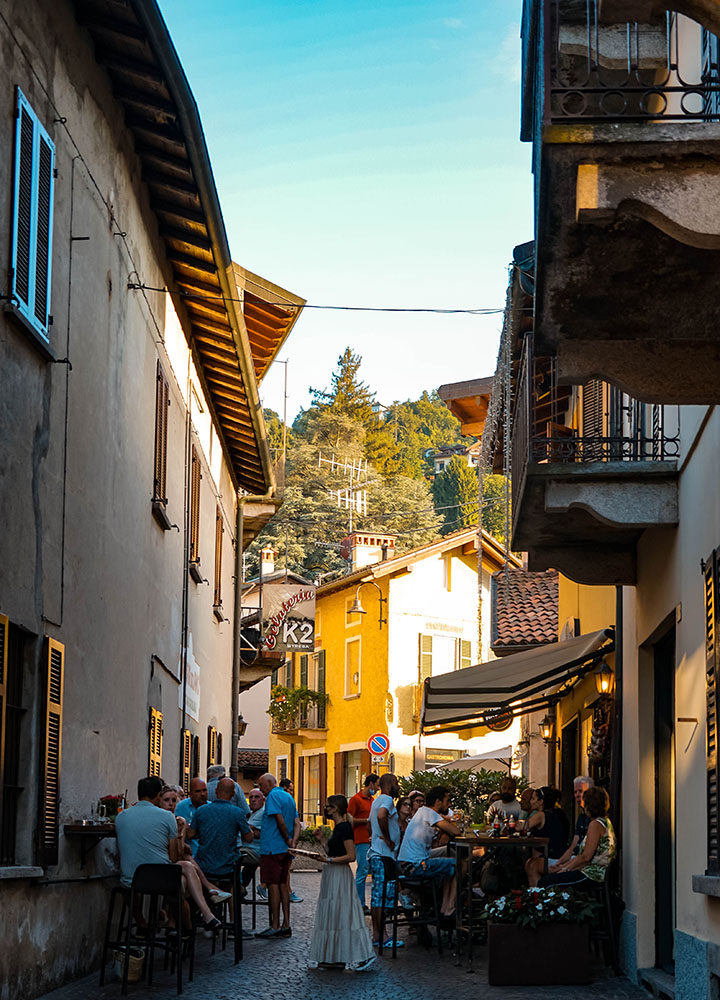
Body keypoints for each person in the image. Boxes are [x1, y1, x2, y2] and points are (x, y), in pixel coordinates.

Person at [115, 776, 221, 934]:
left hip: (131, 879)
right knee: (184, 873)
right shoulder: (167, 817)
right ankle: (197, 921)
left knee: (185, 867)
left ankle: (147, 924)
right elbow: (173, 857)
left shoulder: (121, 816)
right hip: (160, 880)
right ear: (158, 796)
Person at [307, 794, 376, 972]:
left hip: (339, 874)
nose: (326, 809)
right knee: (334, 913)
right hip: (333, 874)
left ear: (335, 808)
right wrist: (322, 840)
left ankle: (358, 955)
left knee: (343, 913)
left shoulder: (344, 828)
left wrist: (328, 860)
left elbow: (350, 856)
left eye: (328, 806)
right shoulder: (339, 827)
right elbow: (333, 852)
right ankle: (335, 956)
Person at [398, 785, 461, 916]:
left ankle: (445, 906)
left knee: (449, 857)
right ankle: (448, 907)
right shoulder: (430, 813)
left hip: (406, 863)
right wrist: (448, 830)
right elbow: (455, 831)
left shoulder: (423, 812)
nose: (448, 804)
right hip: (416, 866)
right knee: (459, 864)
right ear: (438, 801)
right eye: (447, 800)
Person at [539, 786, 616, 889]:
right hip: (592, 871)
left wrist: (565, 870)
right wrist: (562, 867)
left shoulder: (595, 825)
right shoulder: (605, 821)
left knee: (546, 883)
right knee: (551, 878)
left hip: (593, 875)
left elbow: (586, 857)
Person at [256, 773, 300, 938]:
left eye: (261, 786)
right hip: (285, 849)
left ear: (269, 783)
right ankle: (285, 924)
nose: (260, 790)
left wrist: (286, 838)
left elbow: (280, 820)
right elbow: (296, 822)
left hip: (272, 848)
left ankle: (274, 926)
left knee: (273, 885)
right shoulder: (288, 797)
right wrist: (293, 842)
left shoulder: (273, 796)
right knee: (283, 885)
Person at [188, 777, 254, 879]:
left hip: (205, 866)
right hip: (227, 867)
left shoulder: (201, 810)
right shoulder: (237, 813)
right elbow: (249, 838)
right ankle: (236, 889)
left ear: (215, 791)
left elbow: (190, 834)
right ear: (233, 794)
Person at [367, 772, 402, 949]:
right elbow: (382, 816)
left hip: (376, 852)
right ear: (389, 785)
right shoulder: (387, 800)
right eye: (396, 783)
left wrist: (373, 836)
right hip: (384, 855)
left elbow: (369, 823)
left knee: (376, 897)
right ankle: (383, 936)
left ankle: (377, 935)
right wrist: (387, 839)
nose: (398, 786)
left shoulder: (376, 801)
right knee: (382, 897)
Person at [525, 787, 570, 886]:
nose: (530, 802)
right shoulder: (560, 813)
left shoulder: (541, 815)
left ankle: (537, 895)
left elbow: (523, 827)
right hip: (565, 855)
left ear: (541, 801)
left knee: (531, 865)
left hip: (555, 859)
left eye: (533, 798)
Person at [347, 772, 379, 909]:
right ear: (370, 784)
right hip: (361, 840)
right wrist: (367, 821)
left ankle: (368, 902)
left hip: (372, 840)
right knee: (362, 871)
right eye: (377, 785)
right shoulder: (356, 799)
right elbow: (349, 819)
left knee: (371, 871)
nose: (378, 788)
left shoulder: (372, 800)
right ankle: (359, 903)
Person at [552, 775, 595, 869]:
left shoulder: (595, 821)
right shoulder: (581, 817)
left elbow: (586, 857)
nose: (577, 795)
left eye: (581, 791)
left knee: (547, 880)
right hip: (572, 860)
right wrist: (559, 863)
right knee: (533, 864)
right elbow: (573, 846)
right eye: (575, 792)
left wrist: (563, 868)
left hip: (581, 865)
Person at [278, 777, 303, 904]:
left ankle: (287, 891)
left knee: (286, 868)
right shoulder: (286, 802)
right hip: (285, 840)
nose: (292, 793)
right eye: (291, 790)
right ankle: (287, 892)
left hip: (289, 839)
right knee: (285, 869)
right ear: (285, 789)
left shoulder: (288, 802)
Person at [175, 778, 208, 857]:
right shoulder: (181, 807)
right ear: (190, 794)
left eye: (204, 790)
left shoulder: (212, 808)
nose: (202, 794)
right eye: (198, 791)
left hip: (208, 854)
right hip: (189, 853)